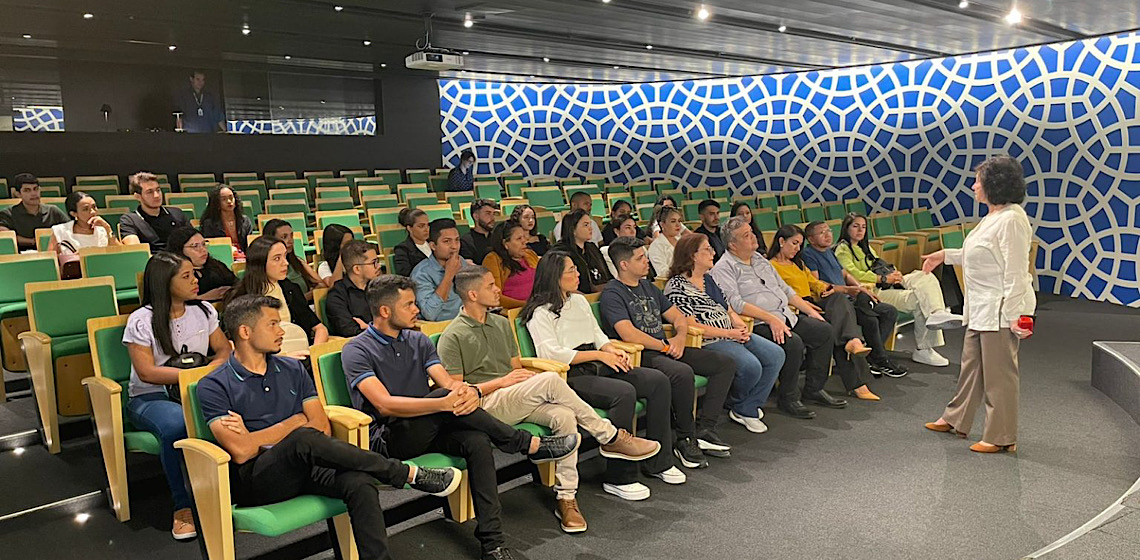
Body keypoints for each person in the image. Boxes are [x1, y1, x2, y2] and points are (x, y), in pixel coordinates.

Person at [197, 294, 462, 560]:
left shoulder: (293, 368)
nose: (281, 331)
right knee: (302, 436)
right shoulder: (214, 385)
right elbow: (242, 451)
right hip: (260, 478)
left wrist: (263, 434)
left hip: (308, 464)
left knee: (359, 482)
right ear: (245, 331)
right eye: (273, 324)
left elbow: (321, 427)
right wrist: (295, 422)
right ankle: (403, 473)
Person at [340, 275, 580, 560]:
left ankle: (493, 544)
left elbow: (447, 383)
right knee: (437, 399)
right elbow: (384, 405)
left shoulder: (418, 340)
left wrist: (464, 392)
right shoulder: (356, 349)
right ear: (384, 311)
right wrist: (445, 401)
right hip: (391, 437)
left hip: (432, 424)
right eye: (409, 305)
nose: (417, 309)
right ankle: (523, 443)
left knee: (477, 441)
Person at [438, 267, 660, 533]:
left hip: (515, 396)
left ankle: (566, 497)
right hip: (486, 406)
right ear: (472, 294)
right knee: (552, 380)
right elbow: (458, 392)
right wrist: (502, 383)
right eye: (490, 286)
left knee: (564, 416)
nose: (498, 290)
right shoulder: (453, 335)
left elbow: (515, 368)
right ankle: (610, 437)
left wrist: (520, 380)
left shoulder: (499, 323)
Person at [523, 250, 686, 491]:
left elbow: (597, 334)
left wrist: (611, 349)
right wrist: (600, 354)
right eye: (572, 270)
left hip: (599, 361)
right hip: (571, 374)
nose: (578, 274)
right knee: (623, 392)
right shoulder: (540, 313)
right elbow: (551, 354)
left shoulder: (578, 300)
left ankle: (658, 462)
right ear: (555, 276)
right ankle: (620, 478)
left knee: (658, 381)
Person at [923, 155, 1036, 453]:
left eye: (978, 181)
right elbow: (978, 254)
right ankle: (955, 419)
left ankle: (1001, 437)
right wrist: (944, 255)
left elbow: (1014, 270)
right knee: (971, 368)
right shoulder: (993, 216)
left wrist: (1014, 315)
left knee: (1000, 375)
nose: (974, 186)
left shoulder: (1012, 219)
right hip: (981, 309)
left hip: (1001, 311)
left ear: (994, 185)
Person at [602, 236, 737, 468]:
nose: (647, 262)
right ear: (624, 265)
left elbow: (677, 317)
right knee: (681, 372)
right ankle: (685, 438)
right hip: (642, 354)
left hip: (666, 347)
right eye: (640, 258)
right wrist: (666, 346)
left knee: (724, 363)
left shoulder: (648, 287)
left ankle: (705, 428)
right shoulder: (613, 293)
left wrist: (680, 337)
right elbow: (629, 335)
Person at [123, 252, 230, 540]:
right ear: (163, 282)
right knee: (176, 426)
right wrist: (195, 376)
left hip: (196, 390)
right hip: (150, 398)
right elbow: (146, 372)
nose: (196, 280)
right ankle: (183, 506)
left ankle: (235, 489)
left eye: (194, 274)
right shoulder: (141, 320)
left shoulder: (204, 310)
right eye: (186, 276)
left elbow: (224, 351)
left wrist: (209, 372)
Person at [710, 217, 846, 420]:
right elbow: (736, 304)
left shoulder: (759, 259)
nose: (753, 237)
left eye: (752, 232)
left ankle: (814, 389)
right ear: (732, 244)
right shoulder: (724, 268)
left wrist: (811, 312)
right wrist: (772, 319)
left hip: (785, 315)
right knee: (793, 343)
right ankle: (788, 398)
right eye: (746, 236)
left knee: (823, 331)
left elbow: (786, 290)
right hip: (758, 323)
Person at [664, 234, 784, 433]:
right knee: (750, 365)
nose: (713, 253)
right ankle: (738, 403)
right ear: (692, 255)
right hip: (708, 340)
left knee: (776, 354)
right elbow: (693, 326)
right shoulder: (676, 286)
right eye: (707, 249)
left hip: (730, 332)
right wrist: (730, 333)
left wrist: (739, 326)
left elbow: (728, 309)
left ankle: (746, 407)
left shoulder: (708, 279)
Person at [766, 225, 880, 401]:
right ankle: (857, 381)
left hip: (812, 303)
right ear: (781, 242)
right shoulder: (772, 266)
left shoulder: (798, 263)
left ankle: (853, 347)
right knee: (836, 329)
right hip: (795, 307)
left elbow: (813, 282)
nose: (798, 249)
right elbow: (779, 293)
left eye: (800, 245)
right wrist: (805, 305)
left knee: (839, 303)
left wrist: (825, 288)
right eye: (794, 244)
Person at [835, 213, 963, 367]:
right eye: (855, 226)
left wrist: (892, 273)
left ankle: (937, 313)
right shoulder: (842, 250)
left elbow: (878, 264)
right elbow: (853, 274)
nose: (860, 230)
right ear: (846, 228)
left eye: (863, 227)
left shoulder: (865, 246)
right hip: (873, 291)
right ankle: (924, 348)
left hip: (886, 283)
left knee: (924, 276)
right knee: (920, 300)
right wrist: (882, 279)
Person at [801, 221, 907, 377]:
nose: (828, 235)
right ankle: (880, 358)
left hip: (848, 297)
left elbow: (845, 274)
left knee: (889, 311)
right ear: (810, 239)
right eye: (822, 232)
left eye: (828, 230)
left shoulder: (829, 252)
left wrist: (860, 288)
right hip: (834, 302)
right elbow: (816, 283)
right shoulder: (809, 254)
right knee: (869, 319)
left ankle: (873, 357)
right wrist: (848, 290)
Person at [229, 236, 329, 345]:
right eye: (277, 258)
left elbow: (320, 329)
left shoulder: (291, 289)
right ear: (260, 263)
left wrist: (312, 352)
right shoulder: (241, 298)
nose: (285, 263)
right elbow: (240, 345)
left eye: (285, 256)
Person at [411, 218, 468, 322]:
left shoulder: (462, 263)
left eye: (457, 240)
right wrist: (449, 275)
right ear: (433, 246)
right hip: (440, 328)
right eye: (447, 241)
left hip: (467, 322)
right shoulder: (421, 274)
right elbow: (430, 314)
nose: (454, 247)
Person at [120, 171, 190, 253]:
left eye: (158, 190)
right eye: (149, 192)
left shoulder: (176, 213)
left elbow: (192, 240)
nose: (156, 195)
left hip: (180, 260)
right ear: (138, 197)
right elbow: (135, 250)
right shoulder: (130, 220)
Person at [326, 240, 383, 337]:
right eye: (374, 263)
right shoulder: (337, 296)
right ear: (357, 269)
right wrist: (377, 330)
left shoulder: (381, 287)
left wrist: (369, 328)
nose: (378, 266)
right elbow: (349, 330)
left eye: (377, 261)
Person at [0, 173, 69, 250]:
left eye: (36, 189)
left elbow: (69, 229)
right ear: (18, 194)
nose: (33, 194)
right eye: (27, 190)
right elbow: (6, 235)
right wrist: (33, 241)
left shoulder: (53, 211)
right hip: (22, 254)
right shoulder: (7, 213)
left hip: (51, 251)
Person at [167, 226, 236, 302]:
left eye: (203, 244)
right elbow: (174, 302)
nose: (203, 249)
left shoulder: (216, 265)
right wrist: (204, 297)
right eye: (195, 246)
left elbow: (237, 284)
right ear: (180, 250)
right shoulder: (177, 274)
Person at [482, 220, 539, 308]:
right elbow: (494, 296)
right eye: (519, 238)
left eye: (524, 237)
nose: (525, 241)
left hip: (537, 308)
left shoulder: (530, 254)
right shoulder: (493, 260)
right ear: (505, 244)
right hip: (511, 313)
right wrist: (526, 305)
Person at [556, 209, 611, 294]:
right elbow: (560, 285)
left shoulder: (592, 248)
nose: (590, 228)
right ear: (573, 229)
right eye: (586, 225)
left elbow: (607, 275)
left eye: (590, 224)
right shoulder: (560, 252)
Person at [261, 218, 323, 292]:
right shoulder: (267, 267)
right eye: (284, 237)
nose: (291, 241)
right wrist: (308, 296)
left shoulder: (297, 261)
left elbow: (321, 284)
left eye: (291, 236)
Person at [49, 190, 119, 254]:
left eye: (94, 207)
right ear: (74, 213)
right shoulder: (60, 231)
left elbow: (120, 253)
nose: (93, 212)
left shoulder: (103, 230)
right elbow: (51, 261)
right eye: (86, 209)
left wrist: (108, 228)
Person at [199, 185, 252, 260]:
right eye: (224, 199)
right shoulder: (210, 224)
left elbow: (250, 245)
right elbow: (212, 248)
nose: (229, 202)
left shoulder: (245, 221)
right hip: (221, 258)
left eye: (231, 198)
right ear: (217, 203)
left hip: (244, 257)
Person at [392, 207, 430, 276]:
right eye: (421, 226)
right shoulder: (402, 249)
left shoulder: (434, 243)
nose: (426, 229)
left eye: (428, 225)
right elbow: (405, 275)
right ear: (409, 228)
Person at [646, 206, 683, 277]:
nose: (678, 225)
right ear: (662, 224)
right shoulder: (656, 246)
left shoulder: (682, 240)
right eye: (673, 221)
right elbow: (663, 273)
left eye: (679, 221)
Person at [460, 198, 499, 264]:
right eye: (488, 213)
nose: (493, 218)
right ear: (476, 217)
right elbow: (468, 265)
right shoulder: (466, 241)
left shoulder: (497, 237)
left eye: (493, 214)